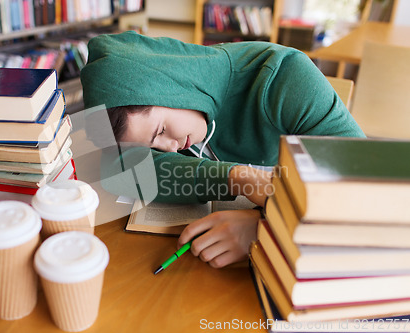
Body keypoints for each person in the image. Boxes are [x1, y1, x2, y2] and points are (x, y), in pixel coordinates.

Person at [80, 31, 365, 269]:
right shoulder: (173, 114)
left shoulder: (286, 76)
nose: (166, 148)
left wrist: (265, 228)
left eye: (161, 131)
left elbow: (366, 184)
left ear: (169, 85)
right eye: (152, 146)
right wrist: (236, 177)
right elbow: (119, 169)